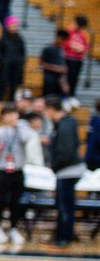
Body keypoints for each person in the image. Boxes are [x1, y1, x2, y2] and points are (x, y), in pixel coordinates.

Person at [0, 103, 37, 245]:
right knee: (1, 200)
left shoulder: (23, 130)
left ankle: (14, 228)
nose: (11, 117)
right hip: (4, 171)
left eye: (14, 114)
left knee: (17, 201)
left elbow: (30, 138)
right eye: (8, 114)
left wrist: (19, 126)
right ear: (3, 117)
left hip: (18, 170)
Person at [45, 96, 85, 247]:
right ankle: (61, 234)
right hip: (65, 170)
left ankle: (64, 237)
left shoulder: (65, 125)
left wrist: (55, 165)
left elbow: (67, 151)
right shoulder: (63, 123)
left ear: (51, 109)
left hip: (68, 170)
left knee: (65, 205)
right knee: (63, 204)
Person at [0, 16, 27, 102]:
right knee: (2, 83)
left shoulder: (20, 39)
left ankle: (12, 100)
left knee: (14, 83)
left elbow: (22, 52)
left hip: (16, 65)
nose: (14, 27)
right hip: (5, 65)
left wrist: (21, 61)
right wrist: (2, 61)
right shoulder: (3, 39)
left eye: (15, 25)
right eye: (12, 25)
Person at [64, 15, 90, 99]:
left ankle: (72, 95)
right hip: (69, 58)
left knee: (75, 78)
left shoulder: (83, 34)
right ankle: (65, 95)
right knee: (68, 77)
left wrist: (80, 48)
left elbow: (85, 47)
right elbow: (66, 43)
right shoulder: (69, 31)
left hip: (78, 59)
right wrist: (74, 46)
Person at [39, 29, 70, 98]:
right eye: (61, 39)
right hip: (49, 81)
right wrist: (56, 68)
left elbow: (63, 67)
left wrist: (64, 82)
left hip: (59, 82)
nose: (62, 42)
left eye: (64, 40)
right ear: (57, 37)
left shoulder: (62, 50)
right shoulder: (47, 49)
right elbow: (41, 64)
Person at [85, 98, 100, 171]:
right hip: (96, 157)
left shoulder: (92, 120)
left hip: (90, 155)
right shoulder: (97, 122)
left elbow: (87, 137)